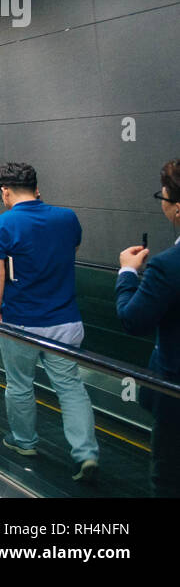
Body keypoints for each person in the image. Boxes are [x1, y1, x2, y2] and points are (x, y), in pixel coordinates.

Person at [0, 162, 98, 483]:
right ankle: (86, 453)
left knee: (20, 384)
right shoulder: (67, 217)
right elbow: (71, 248)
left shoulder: (1, 224)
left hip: (21, 322)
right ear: (36, 187)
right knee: (71, 387)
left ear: (5, 191)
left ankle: (25, 444)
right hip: (65, 320)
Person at [117, 158, 180, 497]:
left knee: (168, 479)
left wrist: (127, 272)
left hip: (175, 398)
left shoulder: (168, 266)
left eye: (164, 197)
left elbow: (132, 319)